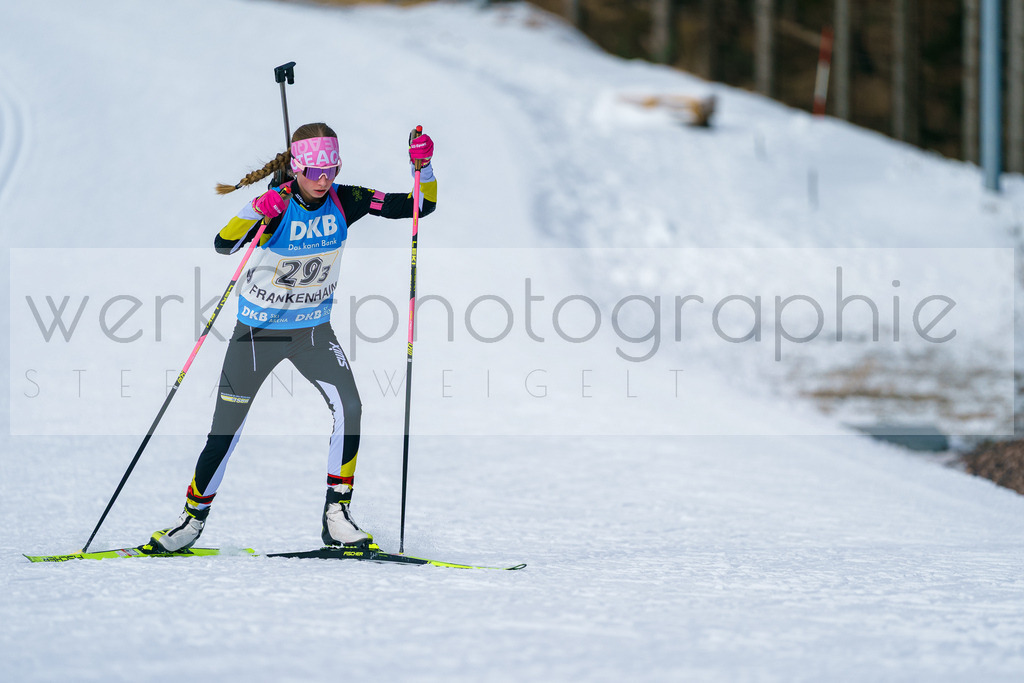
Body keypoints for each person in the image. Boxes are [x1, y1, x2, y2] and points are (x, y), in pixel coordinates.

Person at [150, 122, 436, 551]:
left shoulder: (347, 199)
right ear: (297, 168)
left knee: (351, 407)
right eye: (316, 171)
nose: (325, 179)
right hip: (258, 334)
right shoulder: (276, 206)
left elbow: (417, 207)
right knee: (224, 431)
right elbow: (223, 244)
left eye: (332, 169)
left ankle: (336, 516)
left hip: (312, 332)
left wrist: (424, 168)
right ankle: (190, 521)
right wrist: (254, 211)